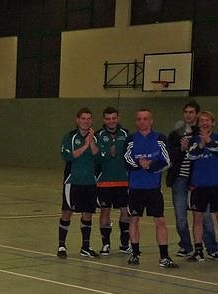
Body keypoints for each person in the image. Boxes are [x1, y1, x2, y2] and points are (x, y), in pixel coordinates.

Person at [124, 108, 177, 268]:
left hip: (153, 188)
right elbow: (126, 159)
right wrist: (139, 164)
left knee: (160, 220)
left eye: (145, 118)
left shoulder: (160, 138)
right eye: (139, 119)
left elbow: (167, 160)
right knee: (134, 219)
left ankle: (164, 257)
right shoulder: (131, 139)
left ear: (151, 121)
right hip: (135, 188)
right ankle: (134, 254)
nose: (142, 122)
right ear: (136, 122)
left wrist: (150, 165)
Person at [166, 100, 218, 257]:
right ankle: (186, 246)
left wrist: (203, 143)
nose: (188, 115)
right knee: (181, 217)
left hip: (198, 181)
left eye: (192, 112)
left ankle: (212, 247)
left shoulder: (201, 133)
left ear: (197, 114)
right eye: (186, 112)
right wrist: (182, 149)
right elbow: (170, 156)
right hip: (179, 179)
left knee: (205, 217)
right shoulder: (175, 134)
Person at [57, 107, 100, 259]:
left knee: (87, 214)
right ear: (77, 120)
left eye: (88, 118)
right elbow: (68, 156)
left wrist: (91, 142)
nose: (86, 121)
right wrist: (85, 145)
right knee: (67, 212)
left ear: (92, 121)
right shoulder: (69, 137)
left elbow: (99, 157)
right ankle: (62, 245)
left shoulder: (95, 138)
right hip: (73, 181)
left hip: (90, 182)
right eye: (83, 118)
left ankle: (85, 247)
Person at [95, 106, 131, 255]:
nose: (111, 121)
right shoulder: (98, 135)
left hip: (123, 181)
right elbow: (95, 157)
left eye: (114, 118)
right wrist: (107, 154)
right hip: (104, 181)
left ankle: (124, 244)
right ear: (104, 120)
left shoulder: (126, 134)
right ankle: (106, 244)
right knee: (105, 211)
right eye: (108, 119)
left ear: (118, 118)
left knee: (125, 211)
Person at [186, 111, 218, 262]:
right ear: (198, 124)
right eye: (202, 121)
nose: (205, 123)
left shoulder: (217, 138)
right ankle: (198, 250)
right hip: (198, 186)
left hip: (215, 185)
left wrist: (209, 141)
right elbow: (191, 155)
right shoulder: (194, 140)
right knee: (197, 217)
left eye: (207, 120)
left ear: (213, 123)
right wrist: (201, 145)